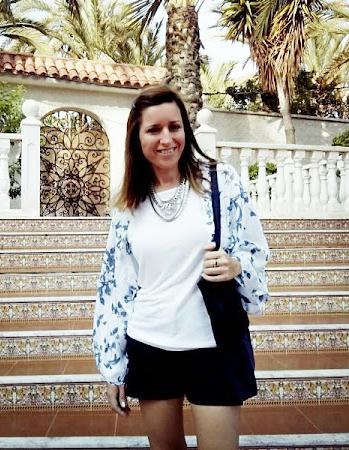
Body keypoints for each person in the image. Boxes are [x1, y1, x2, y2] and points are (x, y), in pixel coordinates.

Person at [93, 84, 269, 450]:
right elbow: (115, 287)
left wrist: (236, 265)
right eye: (153, 129)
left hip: (214, 344)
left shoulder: (220, 181)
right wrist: (112, 367)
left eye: (174, 127)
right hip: (150, 344)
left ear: (185, 130)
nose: (166, 139)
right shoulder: (128, 205)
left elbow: (254, 247)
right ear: (136, 137)